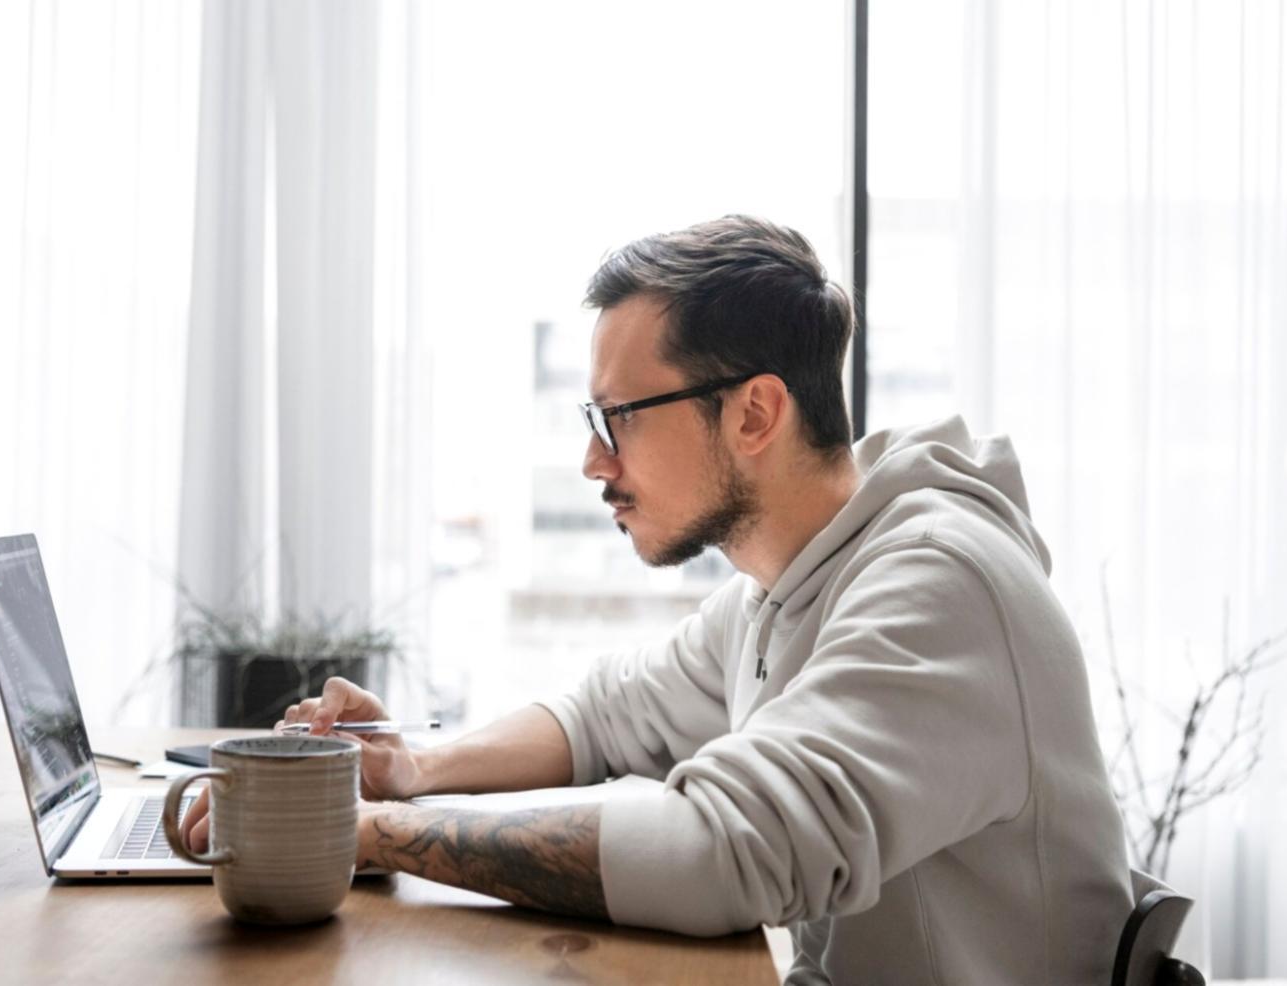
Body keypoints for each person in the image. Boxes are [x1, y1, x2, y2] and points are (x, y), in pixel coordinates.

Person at [181, 215, 1132, 984]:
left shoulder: (939, 585)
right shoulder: (788, 583)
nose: (593, 461)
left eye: (618, 418)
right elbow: (608, 713)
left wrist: (370, 835)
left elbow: (727, 853)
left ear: (754, 413)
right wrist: (411, 768)